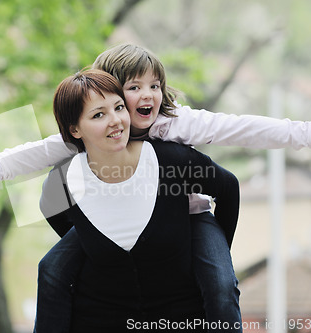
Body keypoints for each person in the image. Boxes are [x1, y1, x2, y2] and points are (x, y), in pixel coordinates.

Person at [0, 44, 311, 332]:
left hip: (187, 218)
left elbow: (241, 128)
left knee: (221, 285)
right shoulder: (88, 129)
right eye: (132, 88)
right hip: (112, 221)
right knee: (52, 269)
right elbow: (30, 155)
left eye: (154, 85)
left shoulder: (173, 124)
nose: (147, 96)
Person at [41, 68, 239, 332]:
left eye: (119, 107)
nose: (116, 121)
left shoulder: (172, 161)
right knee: (50, 268)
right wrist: (94, 239)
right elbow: (49, 208)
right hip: (103, 318)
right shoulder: (62, 181)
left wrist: (216, 248)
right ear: (75, 129)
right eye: (99, 114)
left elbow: (228, 187)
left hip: (185, 315)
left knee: (221, 286)